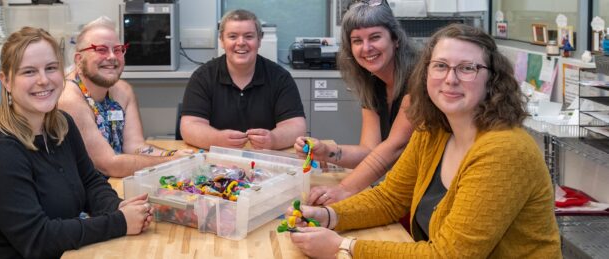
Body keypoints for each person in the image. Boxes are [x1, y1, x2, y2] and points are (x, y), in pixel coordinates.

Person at [286, 24, 562, 258]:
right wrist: (329, 216)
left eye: (467, 68)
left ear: (492, 79)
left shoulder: (504, 152)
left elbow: (448, 255)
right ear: (426, 73)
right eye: (440, 66)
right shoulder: (433, 130)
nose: (450, 79)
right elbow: (389, 198)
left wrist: (344, 247)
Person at [0, 27, 154, 259]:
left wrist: (116, 207)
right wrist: (119, 222)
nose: (43, 80)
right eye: (29, 72)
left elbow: (90, 182)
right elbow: (38, 240)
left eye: (51, 68)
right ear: (5, 80)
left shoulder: (62, 125)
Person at [295, 0, 417, 205]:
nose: (367, 48)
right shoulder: (373, 83)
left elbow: (393, 148)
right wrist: (325, 151)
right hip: (406, 191)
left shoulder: (417, 80)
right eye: (357, 40)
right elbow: (369, 151)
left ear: (395, 39)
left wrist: (343, 189)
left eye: (375, 37)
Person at [58, 16, 192, 177]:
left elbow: (135, 146)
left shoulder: (123, 90)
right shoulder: (69, 100)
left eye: (118, 49)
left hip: (116, 183)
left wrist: (177, 155)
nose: (112, 57)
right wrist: (172, 162)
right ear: (79, 59)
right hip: (84, 195)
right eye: (101, 49)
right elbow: (109, 164)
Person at [180, 9, 306, 150]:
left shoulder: (280, 77)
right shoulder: (203, 77)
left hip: (266, 160)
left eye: (249, 36)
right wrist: (217, 139)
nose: (241, 43)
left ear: (259, 40)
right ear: (222, 40)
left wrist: (274, 139)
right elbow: (189, 126)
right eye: (232, 36)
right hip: (215, 161)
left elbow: (296, 126)